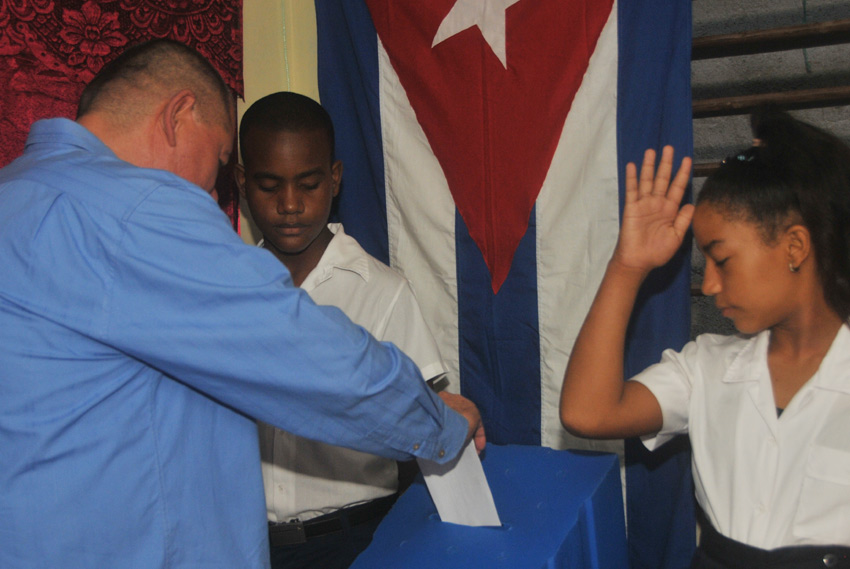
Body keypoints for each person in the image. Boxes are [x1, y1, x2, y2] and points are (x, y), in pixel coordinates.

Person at [0, 39, 484, 569]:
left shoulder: (16, 192)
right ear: (178, 116)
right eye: (221, 160)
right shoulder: (142, 210)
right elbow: (302, 355)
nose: (210, 193)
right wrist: (436, 421)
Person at [560, 109, 850, 568]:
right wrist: (628, 266)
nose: (710, 285)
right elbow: (586, 412)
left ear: (795, 247)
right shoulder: (709, 366)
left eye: (722, 260)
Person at [235, 91, 450, 569]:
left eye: (308, 184)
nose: (289, 205)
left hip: (354, 539)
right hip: (240, 537)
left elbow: (425, 430)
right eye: (269, 186)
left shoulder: (382, 291)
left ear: (334, 179)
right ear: (242, 182)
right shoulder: (225, 289)